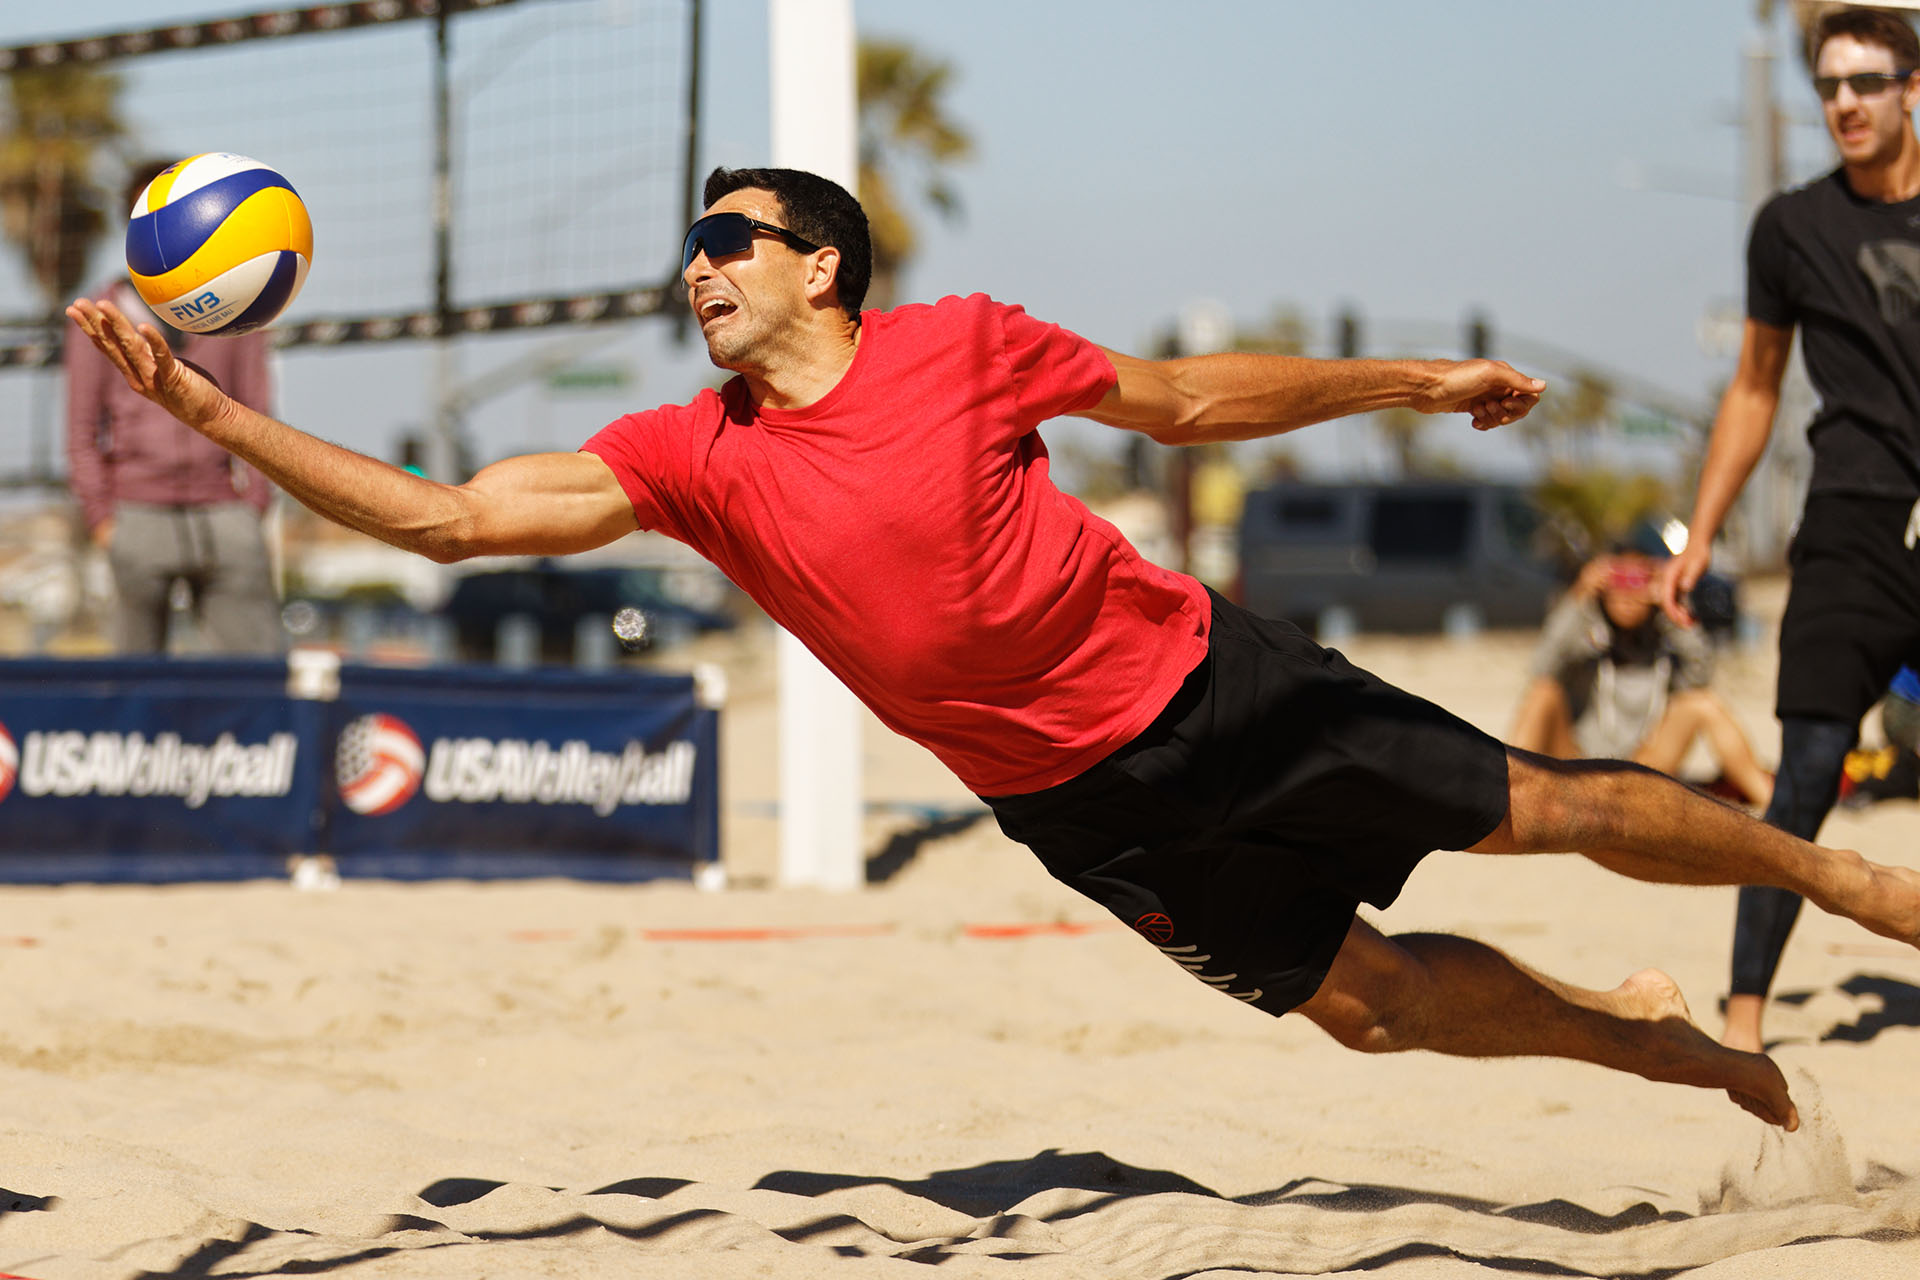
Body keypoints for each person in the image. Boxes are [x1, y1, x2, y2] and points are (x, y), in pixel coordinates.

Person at [70, 165, 1920, 1138]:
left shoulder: (956, 345)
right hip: (1079, 809)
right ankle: (1658, 1050)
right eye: (693, 249)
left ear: (821, 267)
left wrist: (1413, 382)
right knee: (1372, 1011)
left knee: (1539, 807)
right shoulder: (689, 457)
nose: (700, 268)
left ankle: (1831, 873)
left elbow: (1188, 400)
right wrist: (212, 414)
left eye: (730, 239)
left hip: (1209, 686)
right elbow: (449, 521)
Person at [1656, 7, 1920, 1054]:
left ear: (1913, 88)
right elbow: (1755, 387)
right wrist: (1703, 533)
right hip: (1852, 524)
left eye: (1867, 82)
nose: (1845, 103)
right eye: (1829, 86)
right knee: (1805, 769)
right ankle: (1744, 1019)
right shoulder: (1792, 227)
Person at [64, 157, 283, 656]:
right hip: (135, 513)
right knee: (134, 682)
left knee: (257, 670)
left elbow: (258, 411)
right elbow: (81, 431)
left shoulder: (240, 304)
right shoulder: (102, 312)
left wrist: (253, 505)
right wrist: (104, 521)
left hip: (225, 513)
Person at [1511, 551, 1773, 808]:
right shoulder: (1586, 636)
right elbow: (1541, 667)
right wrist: (1579, 595)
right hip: (1580, 765)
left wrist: (1673, 602)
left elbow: (1701, 672)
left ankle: (1771, 803)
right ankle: (1507, 791)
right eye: (1618, 580)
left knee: (1702, 702)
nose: (1627, 595)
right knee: (1543, 693)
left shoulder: (1667, 642)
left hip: (1642, 768)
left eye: (1637, 582)